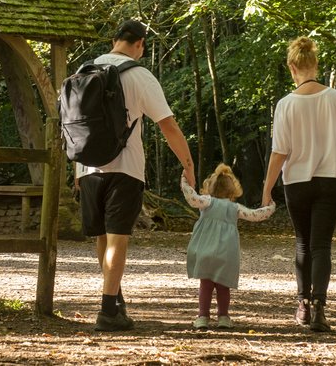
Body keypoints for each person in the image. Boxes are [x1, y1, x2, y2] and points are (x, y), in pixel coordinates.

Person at [78, 20, 196, 331]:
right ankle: (107, 310)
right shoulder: (140, 76)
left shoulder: (84, 70)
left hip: (87, 167)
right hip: (125, 168)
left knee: (103, 238)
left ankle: (114, 301)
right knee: (119, 238)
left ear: (114, 40)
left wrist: (76, 169)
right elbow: (167, 125)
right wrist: (187, 163)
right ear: (140, 44)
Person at [261, 36, 336, 332]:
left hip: (296, 182)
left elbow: (279, 153)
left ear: (292, 67)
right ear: (315, 64)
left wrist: (266, 188)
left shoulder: (285, 105)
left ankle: (303, 305)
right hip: (332, 180)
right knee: (321, 245)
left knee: (303, 243)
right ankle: (319, 308)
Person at [181, 164, 275, 329]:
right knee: (223, 286)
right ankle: (223, 317)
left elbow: (191, 197)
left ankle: (203, 316)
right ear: (233, 191)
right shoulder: (235, 208)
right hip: (227, 253)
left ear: (210, 187)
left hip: (205, 250)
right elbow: (255, 215)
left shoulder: (206, 202)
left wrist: (185, 181)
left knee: (206, 284)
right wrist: (270, 207)